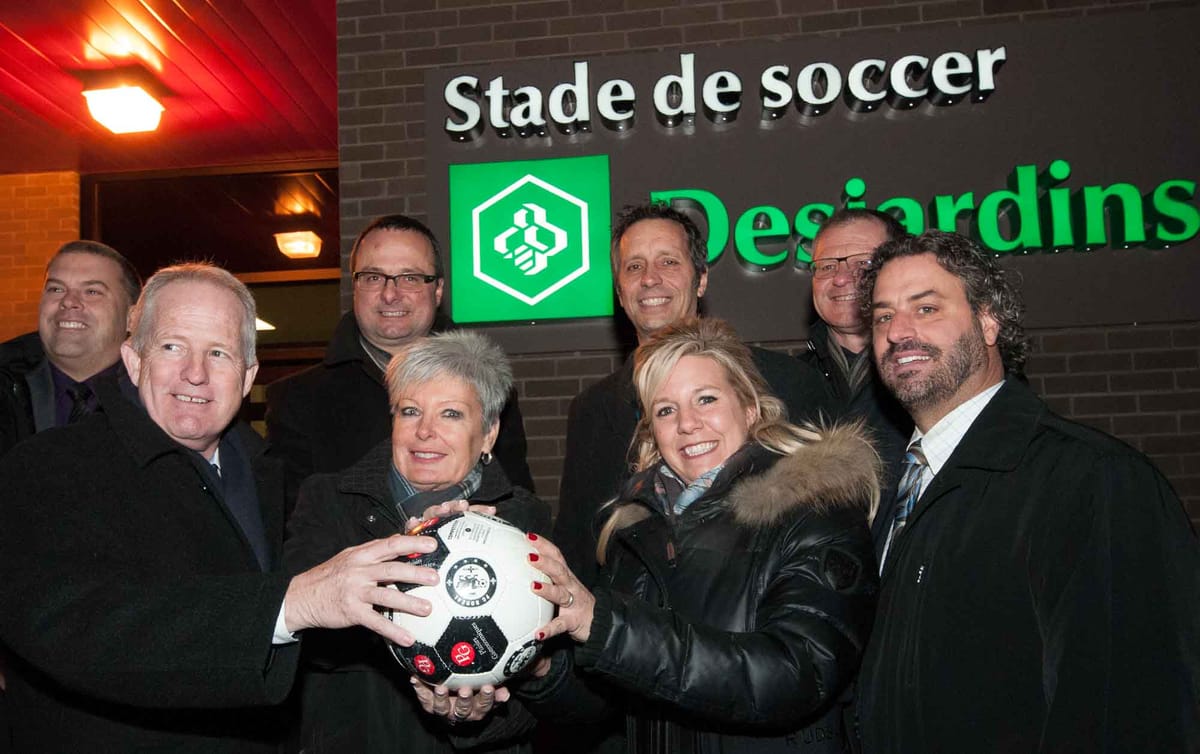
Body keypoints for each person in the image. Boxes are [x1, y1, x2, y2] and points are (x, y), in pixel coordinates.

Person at [0, 263, 446, 751]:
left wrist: (445, 531)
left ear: (248, 374)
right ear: (132, 360)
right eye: (172, 347)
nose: (195, 372)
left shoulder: (267, 476)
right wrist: (284, 606)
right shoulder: (47, 468)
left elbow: (322, 612)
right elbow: (76, 628)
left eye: (218, 352)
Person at [854, 231, 1200, 752]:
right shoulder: (897, 486)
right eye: (882, 316)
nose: (898, 331)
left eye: (926, 308)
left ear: (988, 321)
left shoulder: (1092, 480)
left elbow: (1131, 709)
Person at [523, 317, 880, 753]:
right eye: (665, 410)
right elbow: (610, 701)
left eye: (706, 399)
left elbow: (796, 672)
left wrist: (606, 626)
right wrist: (539, 668)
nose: (687, 424)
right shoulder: (637, 530)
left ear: (749, 408)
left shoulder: (814, 508)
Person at [284, 330, 551, 753]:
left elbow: (549, 681)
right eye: (410, 411)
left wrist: (478, 716)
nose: (425, 431)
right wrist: (404, 567)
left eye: (451, 414)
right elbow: (301, 642)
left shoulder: (523, 520)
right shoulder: (328, 501)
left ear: (488, 434)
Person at [555, 201, 832, 591]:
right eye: (634, 267)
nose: (650, 279)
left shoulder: (786, 383)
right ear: (619, 292)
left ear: (700, 279)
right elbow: (579, 550)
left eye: (668, 262)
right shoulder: (591, 411)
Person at [267, 214, 534, 511]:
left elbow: (516, 505)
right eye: (372, 277)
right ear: (354, 288)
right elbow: (293, 525)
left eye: (410, 278)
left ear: (438, 290)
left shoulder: (488, 387)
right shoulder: (297, 400)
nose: (390, 294)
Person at [0, 239, 141, 456]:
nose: (68, 301)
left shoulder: (160, 400)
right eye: (56, 289)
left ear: (132, 317)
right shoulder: (6, 383)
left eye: (92, 292)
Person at [800, 209, 912, 472]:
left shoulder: (933, 371)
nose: (840, 278)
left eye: (863, 264)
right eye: (827, 266)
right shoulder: (784, 384)